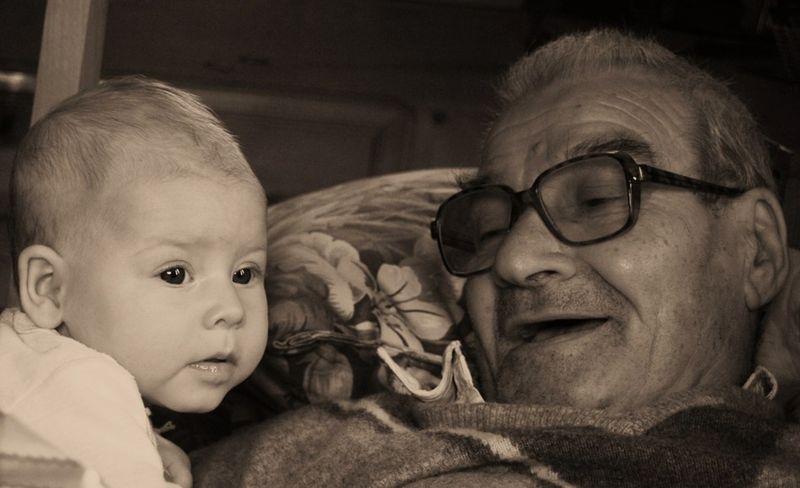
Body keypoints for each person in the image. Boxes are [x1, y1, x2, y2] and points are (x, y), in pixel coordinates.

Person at [191, 29, 800, 486]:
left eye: (596, 198)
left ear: (758, 252)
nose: (514, 260)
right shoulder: (305, 453)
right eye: (486, 226)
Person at [0, 77, 269, 487]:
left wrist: (143, 443)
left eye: (243, 274)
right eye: (175, 274)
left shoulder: (37, 373)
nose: (231, 309)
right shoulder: (82, 384)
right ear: (50, 288)